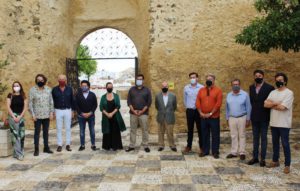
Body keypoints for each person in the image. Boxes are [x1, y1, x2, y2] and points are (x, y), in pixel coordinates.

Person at [264, 72, 294, 174]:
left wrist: (272, 104)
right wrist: (277, 103)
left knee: (285, 144)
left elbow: (283, 107)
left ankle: (287, 165)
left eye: (280, 80)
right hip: (274, 122)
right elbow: (265, 104)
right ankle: (275, 161)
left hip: (284, 123)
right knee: (275, 143)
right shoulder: (273, 92)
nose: (278, 82)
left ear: (285, 81)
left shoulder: (289, 93)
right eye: (277, 80)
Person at [248, 70, 274, 167]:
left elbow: (271, 102)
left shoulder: (269, 88)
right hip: (254, 117)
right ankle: (255, 157)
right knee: (255, 138)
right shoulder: (251, 87)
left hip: (264, 117)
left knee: (263, 138)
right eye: (256, 76)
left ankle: (262, 159)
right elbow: (251, 102)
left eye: (259, 75)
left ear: (263, 76)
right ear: (254, 77)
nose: (258, 77)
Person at [196, 74, 222, 159]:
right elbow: (197, 102)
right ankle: (205, 151)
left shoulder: (218, 90)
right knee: (204, 134)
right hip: (203, 117)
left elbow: (218, 104)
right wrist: (200, 112)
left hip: (214, 117)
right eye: (207, 79)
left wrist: (210, 113)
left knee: (215, 134)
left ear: (214, 80)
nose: (208, 80)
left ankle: (215, 152)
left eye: (210, 79)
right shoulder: (201, 90)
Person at [226, 79, 251, 160]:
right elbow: (227, 108)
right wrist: (227, 118)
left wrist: (248, 119)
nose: (235, 86)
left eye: (237, 84)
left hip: (242, 117)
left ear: (240, 85)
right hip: (232, 117)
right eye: (234, 84)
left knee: (242, 135)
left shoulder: (245, 94)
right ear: (231, 85)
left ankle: (242, 152)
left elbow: (248, 107)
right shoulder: (229, 95)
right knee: (233, 135)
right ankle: (233, 152)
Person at [29, 74, 54, 156]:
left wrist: (51, 113)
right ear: (36, 80)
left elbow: (51, 102)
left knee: (46, 132)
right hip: (37, 116)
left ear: (44, 80)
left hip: (46, 115)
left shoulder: (48, 89)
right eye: (38, 80)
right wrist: (32, 114)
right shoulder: (32, 90)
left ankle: (46, 147)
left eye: (42, 80)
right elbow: (30, 103)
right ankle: (36, 149)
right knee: (37, 132)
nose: (40, 81)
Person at [126, 74, 152, 152]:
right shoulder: (131, 90)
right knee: (133, 130)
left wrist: (142, 111)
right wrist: (133, 110)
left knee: (145, 129)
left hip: (143, 113)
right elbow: (129, 101)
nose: (139, 80)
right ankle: (132, 145)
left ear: (143, 80)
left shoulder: (147, 90)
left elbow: (149, 102)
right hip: (133, 113)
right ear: (136, 80)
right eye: (137, 79)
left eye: (140, 79)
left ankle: (145, 145)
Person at [52, 74, 75, 152]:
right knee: (59, 128)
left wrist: (73, 111)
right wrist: (53, 111)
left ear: (66, 80)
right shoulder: (54, 89)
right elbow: (52, 101)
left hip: (67, 110)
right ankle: (59, 145)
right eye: (60, 79)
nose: (62, 80)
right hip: (58, 110)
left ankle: (68, 144)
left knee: (68, 128)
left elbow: (72, 100)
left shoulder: (70, 89)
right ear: (58, 80)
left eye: (63, 79)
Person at [100, 82, 126, 150]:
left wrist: (111, 113)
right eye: (108, 87)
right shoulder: (103, 97)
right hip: (106, 117)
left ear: (112, 87)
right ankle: (107, 146)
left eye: (111, 87)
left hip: (115, 116)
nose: (110, 88)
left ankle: (115, 146)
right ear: (106, 88)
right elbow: (101, 107)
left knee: (115, 131)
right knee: (107, 131)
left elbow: (118, 106)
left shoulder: (116, 96)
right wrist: (107, 114)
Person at [6, 81, 27, 160]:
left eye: (17, 85)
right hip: (12, 117)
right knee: (15, 135)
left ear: (20, 86)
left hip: (21, 117)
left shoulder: (23, 96)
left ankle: (17, 152)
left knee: (21, 135)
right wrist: (14, 116)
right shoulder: (10, 95)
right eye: (14, 86)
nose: (16, 87)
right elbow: (8, 107)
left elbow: (25, 108)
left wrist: (20, 116)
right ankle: (19, 154)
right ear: (13, 87)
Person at [183, 72, 204, 153]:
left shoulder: (202, 87)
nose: (192, 79)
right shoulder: (186, 88)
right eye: (191, 77)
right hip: (190, 111)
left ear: (197, 78)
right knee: (190, 129)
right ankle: (189, 146)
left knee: (200, 129)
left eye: (194, 77)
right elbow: (185, 99)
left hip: (199, 111)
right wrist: (188, 107)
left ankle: (202, 146)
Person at [75, 80, 98, 151]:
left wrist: (90, 113)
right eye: (82, 86)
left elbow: (95, 105)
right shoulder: (78, 95)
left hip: (91, 116)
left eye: (85, 86)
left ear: (88, 86)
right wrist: (82, 113)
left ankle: (93, 145)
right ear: (80, 86)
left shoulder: (92, 94)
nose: (84, 87)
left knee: (92, 131)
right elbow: (76, 105)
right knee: (82, 131)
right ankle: (82, 145)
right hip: (81, 116)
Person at [155, 81, 177, 152]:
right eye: (163, 86)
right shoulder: (157, 96)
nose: (164, 88)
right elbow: (157, 106)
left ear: (168, 87)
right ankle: (161, 145)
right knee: (160, 132)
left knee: (170, 132)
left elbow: (174, 106)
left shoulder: (173, 96)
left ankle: (172, 145)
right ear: (161, 87)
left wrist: (169, 112)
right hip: (160, 117)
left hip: (169, 117)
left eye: (166, 86)